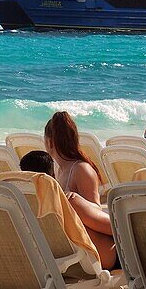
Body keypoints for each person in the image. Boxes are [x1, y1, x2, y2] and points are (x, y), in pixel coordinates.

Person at [43, 114, 116, 269]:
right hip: (80, 251)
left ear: (49, 142)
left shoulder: (81, 169)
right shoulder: (60, 171)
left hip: (102, 251)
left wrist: (74, 202)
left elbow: (96, 211)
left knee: (71, 202)